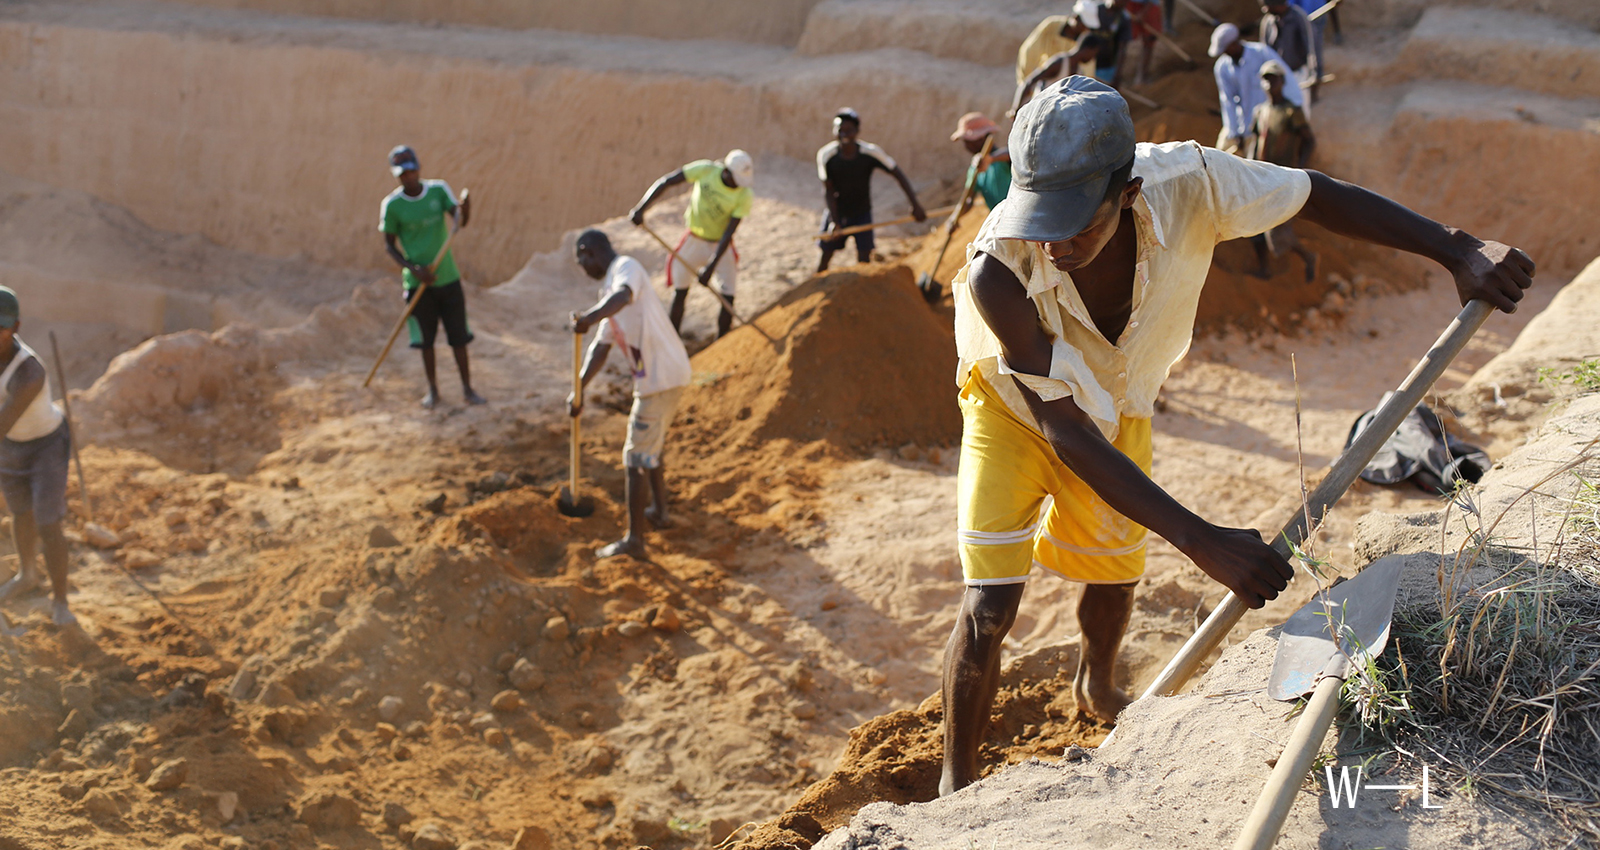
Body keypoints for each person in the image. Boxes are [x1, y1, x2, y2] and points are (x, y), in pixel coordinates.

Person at [939, 75, 1534, 796]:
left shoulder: (1192, 181)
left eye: (1077, 223)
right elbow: (1061, 427)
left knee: (1115, 567)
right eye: (1041, 219)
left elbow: (1316, 194)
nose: (1055, 243)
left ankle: (1096, 687)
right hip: (1013, 404)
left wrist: (1456, 248)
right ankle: (954, 778)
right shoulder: (997, 271)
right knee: (991, 601)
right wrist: (1203, 541)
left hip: (1118, 396)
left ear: (1126, 194)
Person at [568, 230, 693, 560]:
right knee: (651, 449)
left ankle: (634, 540)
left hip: (661, 376)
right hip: (660, 375)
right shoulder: (608, 289)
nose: (581, 266)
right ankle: (659, 512)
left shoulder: (626, 268)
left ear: (589, 252)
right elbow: (601, 348)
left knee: (635, 456)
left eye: (580, 259)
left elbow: (623, 297)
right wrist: (578, 390)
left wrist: (591, 316)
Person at [379, 145, 485, 410]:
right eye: (402, 173)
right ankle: (433, 391)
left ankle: (468, 389)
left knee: (458, 337)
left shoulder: (439, 190)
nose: (408, 177)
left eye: (411, 171)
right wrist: (413, 269)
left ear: (419, 168)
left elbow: (459, 221)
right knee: (426, 341)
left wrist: (467, 209)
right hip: (418, 285)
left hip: (447, 278)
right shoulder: (392, 206)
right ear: (396, 175)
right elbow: (389, 245)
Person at [0, 288, 75, 627]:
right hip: (11, 444)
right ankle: (27, 574)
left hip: (45, 444)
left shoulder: (29, 372)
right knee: (20, 513)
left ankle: (60, 601)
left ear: (15, 327)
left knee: (47, 521)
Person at [628, 151, 755, 338]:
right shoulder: (705, 170)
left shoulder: (744, 195)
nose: (737, 185)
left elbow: (729, 233)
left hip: (720, 245)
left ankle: (723, 341)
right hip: (694, 239)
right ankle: (673, 340)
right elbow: (667, 182)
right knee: (680, 291)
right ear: (726, 172)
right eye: (735, 180)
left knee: (728, 293)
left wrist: (711, 266)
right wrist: (641, 208)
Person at [816, 109, 926, 273]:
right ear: (834, 131)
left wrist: (915, 205)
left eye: (849, 130)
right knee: (826, 255)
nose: (844, 134)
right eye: (840, 129)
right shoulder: (826, 155)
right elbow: (828, 191)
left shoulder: (871, 152)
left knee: (864, 260)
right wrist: (834, 221)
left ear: (857, 131)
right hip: (837, 211)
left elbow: (898, 174)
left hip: (862, 212)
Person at [1248, 62, 1318, 281]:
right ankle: (1264, 269)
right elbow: (1255, 140)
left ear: (1282, 81)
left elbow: (1309, 141)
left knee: (1278, 230)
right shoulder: (1260, 111)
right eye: (1266, 79)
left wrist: (1299, 168)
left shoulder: (1291, 111)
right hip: (1260, 176)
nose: (1270, 84)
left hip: (1282, 177)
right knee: (1254, 228)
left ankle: (1309, 257)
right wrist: (1248, 165)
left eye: (1274, 79)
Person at [1209, 23, 1302, 155]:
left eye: (1226, 48)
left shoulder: (1261, 53)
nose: (1224, 52)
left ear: (1234, 43)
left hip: (1265, 121)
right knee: (1220, 153)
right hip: (1242, 123)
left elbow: (1287, 79)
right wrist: (1234, 132)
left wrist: (1292, 109)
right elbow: (1227, 101)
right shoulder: (1222, 67)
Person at [1012, 2, 1118, 114]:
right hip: (1043, 94)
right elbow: (1029, 52)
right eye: (1084, 25)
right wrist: (1025, 84)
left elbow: (1088, 75)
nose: (1085, 29)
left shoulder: (1083, 47)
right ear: (1076, 17)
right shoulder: (1052, 27)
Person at [950, 113, 1012, 222]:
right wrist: (954, 218)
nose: (966, 146)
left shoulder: (1003, 159)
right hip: (1000, 223)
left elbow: (1012, 154)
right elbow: (968, 199)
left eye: (968, 141)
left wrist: (991, 159)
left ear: (982, 138)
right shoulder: (974, 169)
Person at [1260, 0, 1321, 105]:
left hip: (1298, 74)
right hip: (1276, 80)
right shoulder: (1268, 22)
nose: (1264, 10)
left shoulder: (1298, 17)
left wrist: (1315, 74)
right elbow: (1265, 52)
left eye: (1267, 6)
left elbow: (1311, 47)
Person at [1121, 0, 1165, 86]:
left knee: (1149, 39)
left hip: (1150, 3)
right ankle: (1117, 75)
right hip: (1128, 3)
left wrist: (1144, 12)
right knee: (1122, 39)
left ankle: (1142, 77)